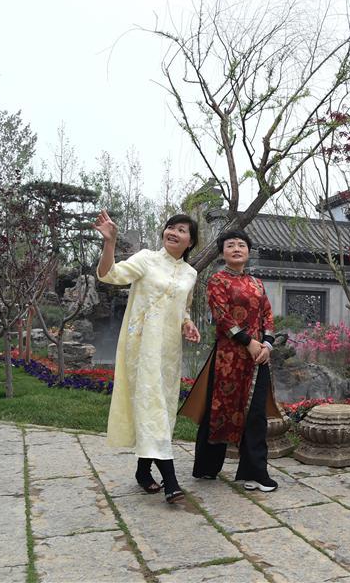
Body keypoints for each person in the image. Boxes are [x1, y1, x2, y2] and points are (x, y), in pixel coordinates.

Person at [95, 210, 201, 504]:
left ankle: (143, 471)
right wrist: (110, 243)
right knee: (153, 406)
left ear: (190, 241)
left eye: (182, 230)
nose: (173, 232)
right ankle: (171, 482)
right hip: (141, 347)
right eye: (171, 227)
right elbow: (108, 275)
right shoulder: (146, 259)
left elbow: (183, 307)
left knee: (163, 409)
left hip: (168, 352)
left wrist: (188, 323)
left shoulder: (191, 274)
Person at [181, 229, 282, 491]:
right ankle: (206, 467)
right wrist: (248, 342)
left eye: (241, 245)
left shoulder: (257, 284)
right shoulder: (217, 281)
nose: (236, 249)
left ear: (248, 251)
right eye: (230, 245)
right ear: (223, 252)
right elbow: (223, 317)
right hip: (228, 356)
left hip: (257, 359)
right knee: (218, 411)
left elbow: (268, 316)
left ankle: (254, 472)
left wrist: (267, 345)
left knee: (256, 415)